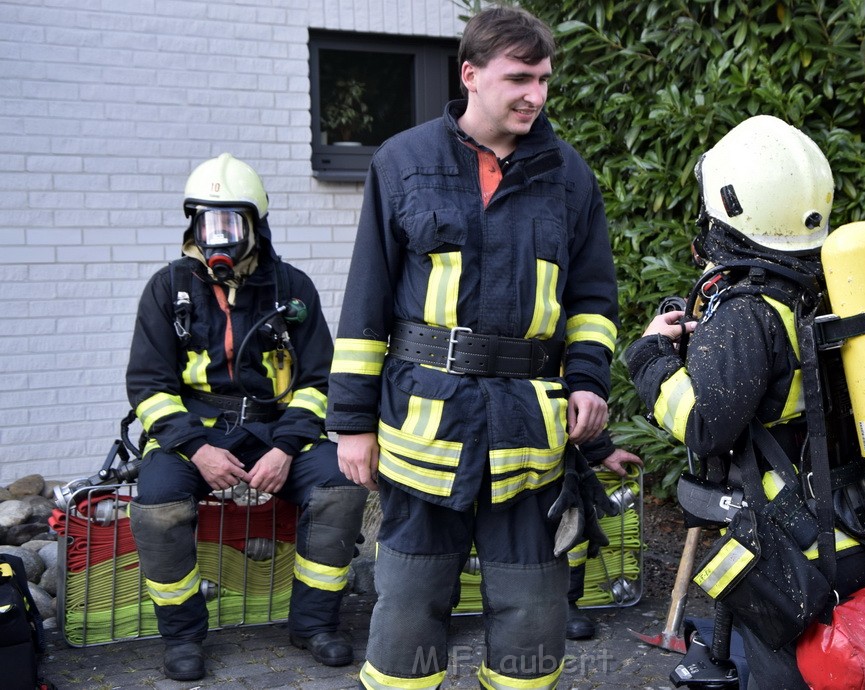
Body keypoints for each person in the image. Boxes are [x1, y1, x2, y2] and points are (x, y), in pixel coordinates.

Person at [326, 6, 619, 689]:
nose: (536, 95)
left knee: (532, 615)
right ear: (471, 75)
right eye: (520, 77)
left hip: (528, 434)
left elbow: (594, 302)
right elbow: (366, 301)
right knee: (408, 609)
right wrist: (349, 425)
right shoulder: (403, 162)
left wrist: (588, 381)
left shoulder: (570, 177)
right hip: (425, 429)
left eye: (544, 79)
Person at [626, 115, 865, 689]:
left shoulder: (747, 309)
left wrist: (650, 357)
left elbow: (702, 424)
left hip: (793, 550)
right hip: (854, 528)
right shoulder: (821, 292)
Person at [126, 153, 368, 682]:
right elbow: (148, 386)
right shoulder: (168, 290)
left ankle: (315, 624)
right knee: (158, 503)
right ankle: (184, 637)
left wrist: (285, 448)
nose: (219, 238)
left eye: (231, 223)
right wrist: (195, 449)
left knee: (338, 484)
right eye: (207, 223)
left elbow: (319, 381)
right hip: (196, 433)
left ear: (254, 225)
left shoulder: (292, 290)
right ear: (192, 226)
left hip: (275, 430)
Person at [566, 436, 642, 640]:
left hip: (547, 459)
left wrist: (599, 449)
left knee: (570, 518)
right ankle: (504, 606)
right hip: (477, 457)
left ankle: (565, 602)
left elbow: (572, 406)